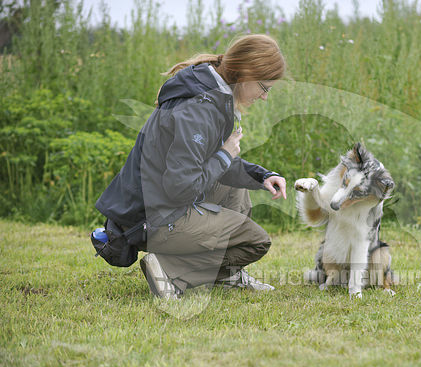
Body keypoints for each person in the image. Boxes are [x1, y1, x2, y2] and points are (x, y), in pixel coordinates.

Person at [95, 34, 287, 299]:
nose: (264, 97)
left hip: (154, 206)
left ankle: (226, 274)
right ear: (246, 73)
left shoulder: (209, 89)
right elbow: (180, 187)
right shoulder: (199, 108)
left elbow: (208, 161)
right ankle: (170, 270)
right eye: (264, 87)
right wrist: (224, 156)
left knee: (234, 186)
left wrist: (263, 176)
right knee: (256, 241)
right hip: (150, 219)